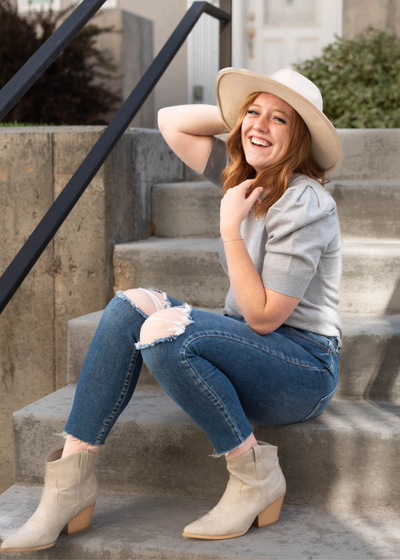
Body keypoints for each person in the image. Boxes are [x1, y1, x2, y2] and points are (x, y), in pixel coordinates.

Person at [0, 67, 343, 552]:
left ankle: (255, 478)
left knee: (164, 330)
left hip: (301, 368)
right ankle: (69, 485)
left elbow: (265, 317)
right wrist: (242, 118)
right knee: (128, 308)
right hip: (248, 346)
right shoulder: (246, 180)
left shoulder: (305, 202)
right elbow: (171, 121)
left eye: (280, 119)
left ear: (301, 136)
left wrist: (229, 228)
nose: (260, 126)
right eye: (253, 113)